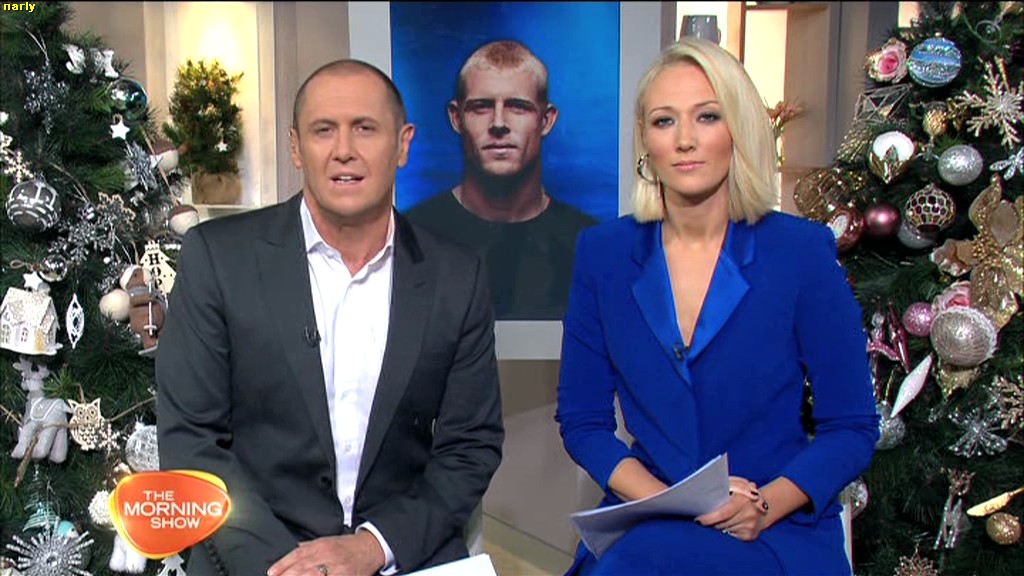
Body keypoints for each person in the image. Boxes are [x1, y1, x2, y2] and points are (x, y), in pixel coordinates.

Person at [156, 59, 504, 576]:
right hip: (254, 558)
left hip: (397, 555)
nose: (344, 150)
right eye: (324, 130)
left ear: (403, 144)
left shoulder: (457, 276)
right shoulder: (218, 258)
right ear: (296, 147)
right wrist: (291, 569)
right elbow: (192, 440)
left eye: (365, 128)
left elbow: (470, 447)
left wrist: (373, 547)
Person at [555, 38, 879, 575]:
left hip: (773, 527)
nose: (685, 139)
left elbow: (852, 426)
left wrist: (766, 503)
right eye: (664, 121)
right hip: (650, 518)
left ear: (739, 130)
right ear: (645, 140)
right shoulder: (603, 254)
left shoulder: (800, 252)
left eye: (707, 116)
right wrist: (672, 502)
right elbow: (582, 421)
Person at [404, 40, 597, 321]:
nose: (498, 124)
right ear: (456, 118)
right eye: (481, 107)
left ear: (546, 120)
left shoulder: (588, 244)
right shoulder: (410, 236)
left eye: (518, 107)